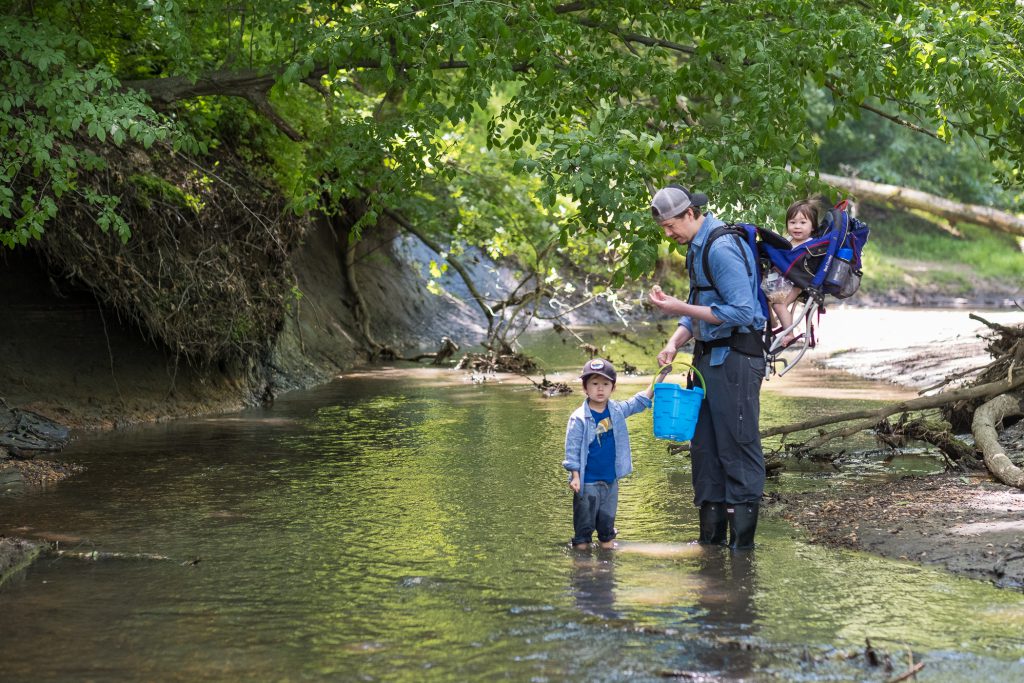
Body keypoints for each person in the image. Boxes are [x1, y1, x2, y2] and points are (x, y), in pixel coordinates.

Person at [647, 184, 766, 550]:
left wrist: (679, 308)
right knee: (706, 454)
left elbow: (742, 311)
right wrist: (674, 341)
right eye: (663, 229)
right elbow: (704, 305)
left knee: (737, 449)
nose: (668, 234)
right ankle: (710, 552)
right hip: (706, 361)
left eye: (671, 226)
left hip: (736, 360)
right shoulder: (695, 249)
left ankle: (742, 554)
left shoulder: (721, 247)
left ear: (690, 214)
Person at [563, 358, 653, 550]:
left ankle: (607, 572)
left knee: (607, 534)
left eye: (605, 384)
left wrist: (660, 377)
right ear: (585, 387)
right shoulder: (578, 417)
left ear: (613, 387)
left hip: (610, 482)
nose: (600, 389)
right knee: (583, 536)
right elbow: (571, 449)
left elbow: (639, 402)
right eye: (594, 384)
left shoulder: (617, 411)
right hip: (587, 483)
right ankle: (583, 570)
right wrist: (575, 476)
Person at [762, 199, 818, 346]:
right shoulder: (787, 241)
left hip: (796, 282)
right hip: (780, 279)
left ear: (813, 226)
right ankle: (773, 323)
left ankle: (789, 333)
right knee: (760, 292)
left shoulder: (811, 245)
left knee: (779, 305)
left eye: (802, 223)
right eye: (792, 222)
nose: (797, 227)